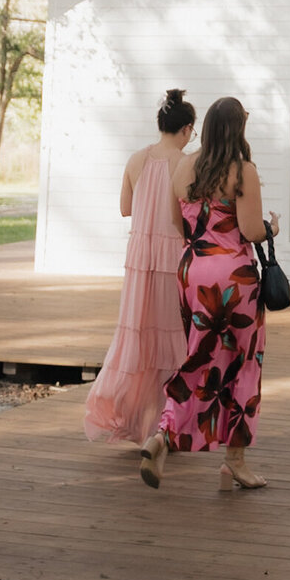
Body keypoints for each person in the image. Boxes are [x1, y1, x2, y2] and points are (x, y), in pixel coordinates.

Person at [140, 97, 278, 491]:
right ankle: (234, 460)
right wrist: (272, 227)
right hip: (232, 276)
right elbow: (250, 231)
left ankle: (165, 433)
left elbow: (177, 222)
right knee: (244, 363)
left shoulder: (184, 166)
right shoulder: (242, 170)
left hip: (191, 271)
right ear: (237, 129)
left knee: (201, 355)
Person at [84, 88, 194, 449]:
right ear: (186, 129)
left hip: (139, 258)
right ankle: (165, 425)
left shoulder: (136, 160)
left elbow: (125, 208)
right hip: (172, 257)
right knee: (172, 339)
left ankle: (133, 417)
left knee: (138, 336)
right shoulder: (186, 163)